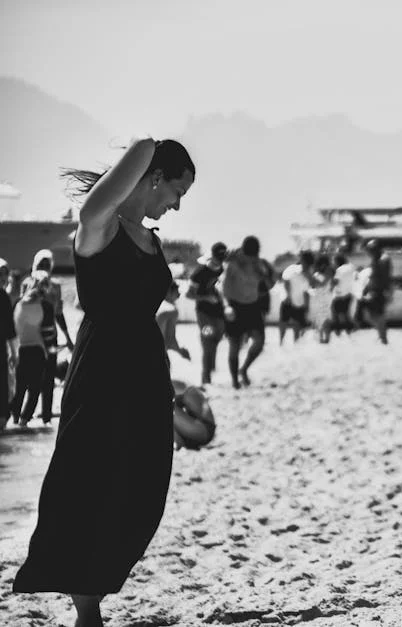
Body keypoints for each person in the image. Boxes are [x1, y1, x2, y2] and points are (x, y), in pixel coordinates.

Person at [13, 138, 195, 626]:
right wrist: (152, 147)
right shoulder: (98, 227)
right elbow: (140, 153)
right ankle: (86, 606)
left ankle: (96, 588)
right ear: (154, 177)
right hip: (101, 368)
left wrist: (170, 389)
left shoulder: (150, 239)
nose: (177, 204)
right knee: (89, 477)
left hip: (145, 368)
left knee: (142, 482)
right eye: (177, 189)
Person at [221, 236, 274, 389]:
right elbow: (223, 288)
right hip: (235, 306)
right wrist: (226, 306)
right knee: (234, 346)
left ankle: (243, 369)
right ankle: (234, 381)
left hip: (252, 306)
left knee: (259, 341)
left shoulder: (259, 263)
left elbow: (269, 284)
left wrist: (263, 274)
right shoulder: (233, 263)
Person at [31, 249, 75, 421]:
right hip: (31, 337)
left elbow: (59, 313)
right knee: (32, 375)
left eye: (47, 264)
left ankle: (46, 416)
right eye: (41, 264)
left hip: (51, 337)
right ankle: (26, 411)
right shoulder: (28, 283)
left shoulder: (55, 286)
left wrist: (68, 338)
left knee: (49, 375)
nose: (44, 267)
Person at [10, 273, 53, 427]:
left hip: (20, 349)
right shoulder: (44, 306)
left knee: (19, 387)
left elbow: (12, 330)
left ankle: (14, 419)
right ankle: (24, 420)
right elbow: (48, 332)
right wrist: (51, 351)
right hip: (37, 350)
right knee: (34, 389)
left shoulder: (17, 304)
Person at [186, 242, 227, 385]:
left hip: (219, 312)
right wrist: (206, 298)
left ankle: (211, 367)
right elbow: (188, 295)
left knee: (217, 338)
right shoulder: (199, 273)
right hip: (204, 312)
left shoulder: (222, 269)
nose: (221, 259)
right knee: (208, 342)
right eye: (219, 256)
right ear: (213, 255)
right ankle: (206, 377)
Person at [279, 250, 314, 345]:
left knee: (297, 325)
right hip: (287, 300)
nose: (307, 266)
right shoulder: (292, 268)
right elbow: (286, 281)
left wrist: (307, 306)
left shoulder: (309, 275)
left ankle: (296, 343)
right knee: (283, 322)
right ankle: (281, 342)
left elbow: (308, 290)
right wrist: (288, 296)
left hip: (299, 302)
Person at [361, 239, 391, 344]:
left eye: (370, 249)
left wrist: (385, 291)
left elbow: (383, 278)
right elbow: (374, 275)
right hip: (374, 289)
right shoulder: (377, 258)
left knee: (378, 314)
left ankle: (383, 337)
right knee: (373, 314)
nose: (368, 252)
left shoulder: (383, 259)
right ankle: (381, 335)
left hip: (378, 290)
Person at [156, 281, 190, 361]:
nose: (178, 295)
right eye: (177, 292)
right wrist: (180, 351)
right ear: (168, 292)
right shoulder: (171, 310)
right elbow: (170, 339)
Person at [0, 259, 16, 430]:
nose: (3, 278)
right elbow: (9, 327)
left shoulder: (4, 297)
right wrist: (13, 350)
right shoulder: (3, 297)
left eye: (5, 274)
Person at [331, 253, 355, 335]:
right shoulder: (351, 267)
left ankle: (337, 333)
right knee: (346, 314)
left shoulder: (339, 270)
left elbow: (335, 282)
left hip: (339, 295)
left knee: (335, 314)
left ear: (337, 261)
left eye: (334, 261)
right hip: (349, 294)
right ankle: (349, 332)